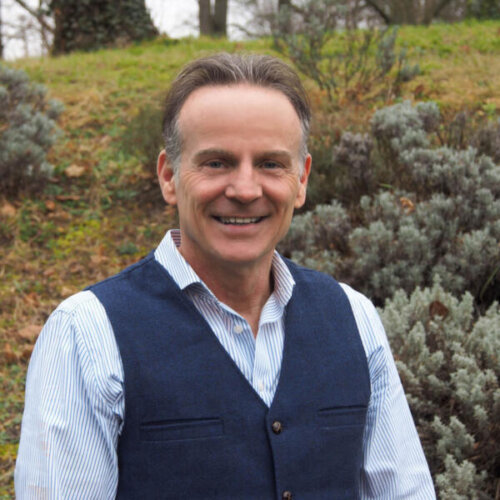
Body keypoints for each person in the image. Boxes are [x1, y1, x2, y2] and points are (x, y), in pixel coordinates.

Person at [15, 52, 435, 499]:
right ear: (169, 177)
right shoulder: (86, 334)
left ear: (301, 180)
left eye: (271, 164)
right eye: (217, 162)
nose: (245, 189)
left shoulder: (354, 318)